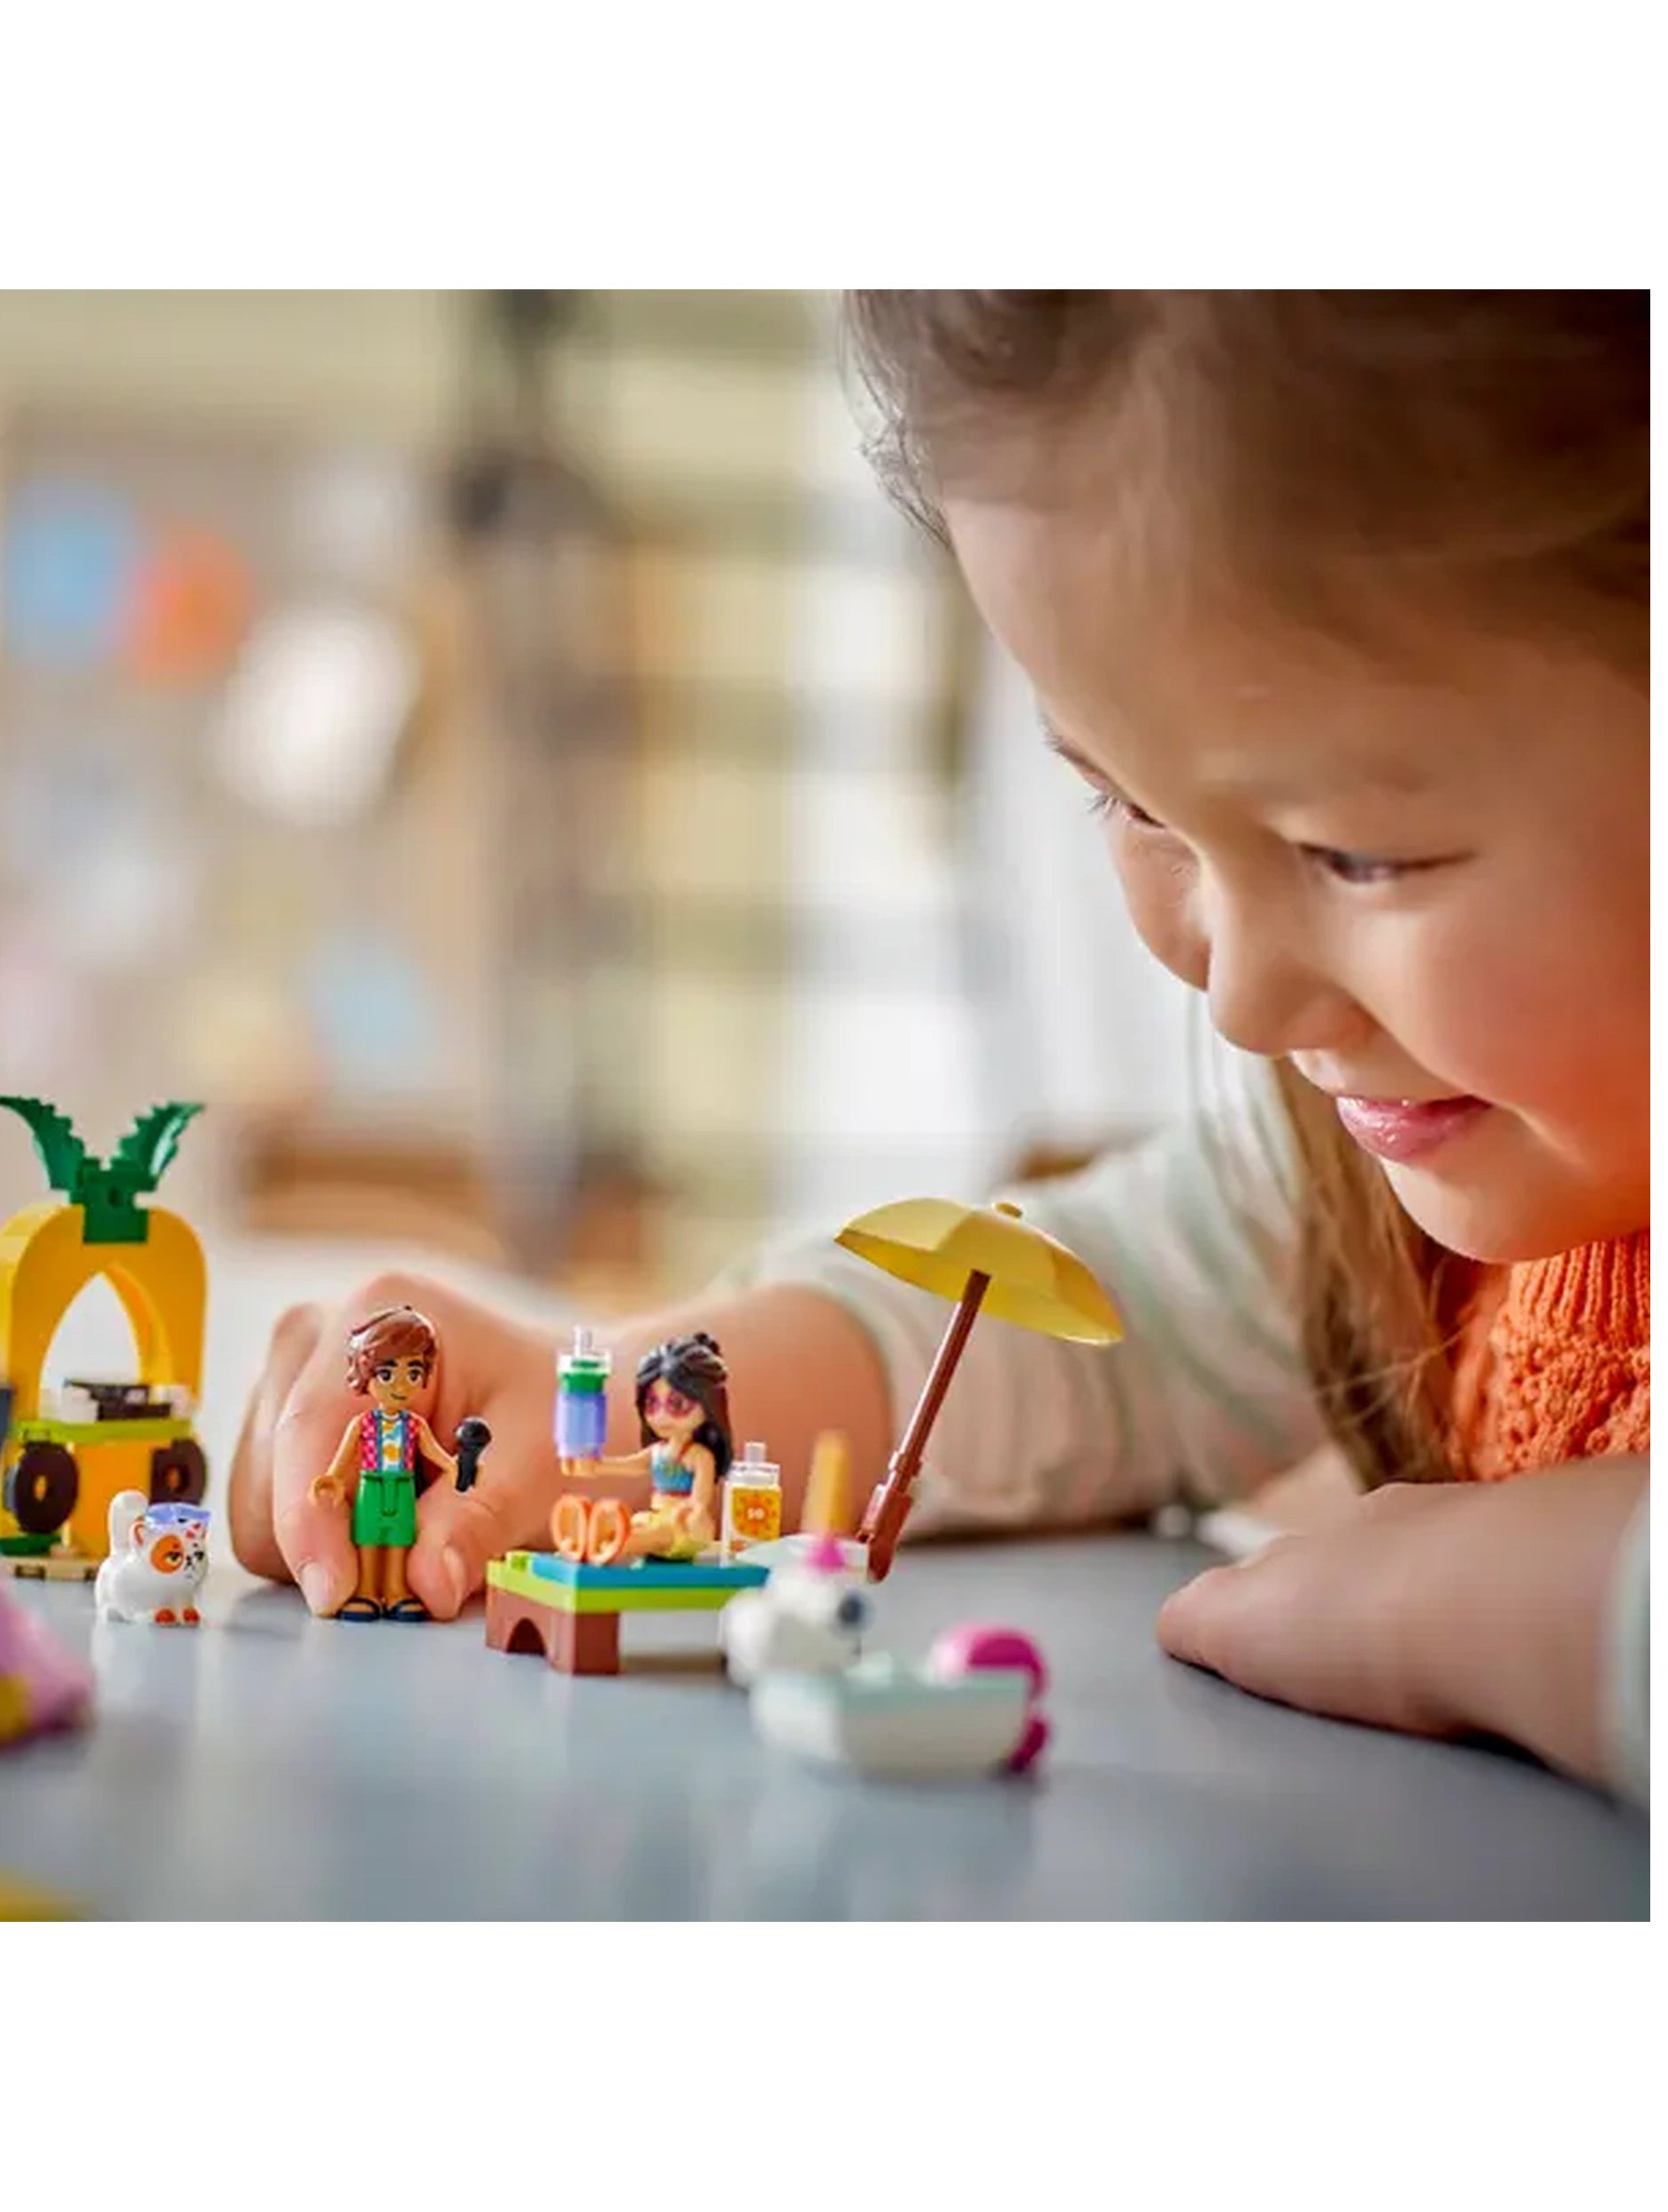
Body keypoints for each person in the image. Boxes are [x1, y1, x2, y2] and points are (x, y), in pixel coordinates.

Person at [232, 293, 1648, 1808]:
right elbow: (1086, 1327)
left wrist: (1526, 1605)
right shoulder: (1354, 1178)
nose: (1235, 1002)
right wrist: (604, 1409)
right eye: (1131, 803)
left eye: (1363, 855)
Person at [306, 1305, 457, 1621]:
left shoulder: (414, 1425)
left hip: (402, 1488)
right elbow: (344, 1455)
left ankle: (396, 1590)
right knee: (368, 1539)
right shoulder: (364, 1423)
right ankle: (366, 1591)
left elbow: (433, 1451)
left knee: (399, 1540)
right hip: (372, 1487)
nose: (400, 1386)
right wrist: (332, 1478)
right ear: (365, 1375)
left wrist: (454, 1467)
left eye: (413, 1373)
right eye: (386, 1374)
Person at [553, 1333, 734, 1563]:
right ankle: (591, 1538)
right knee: (635, 1524)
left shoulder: (698, 1456)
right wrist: (596, 1466)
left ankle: (616, 1544)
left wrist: (696, 1510)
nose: (661, 1417)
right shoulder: (658, 1451)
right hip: (656, 1517)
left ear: (708, 1405)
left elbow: (701, 1499)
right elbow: (631, 1465)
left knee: (652, 1535)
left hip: (684, 1525)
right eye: (652, 1404)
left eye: (677, 1404)